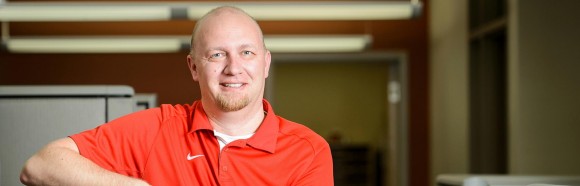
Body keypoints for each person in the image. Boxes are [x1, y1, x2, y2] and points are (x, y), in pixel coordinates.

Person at [19, 6, 334, 185]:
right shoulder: (157, 128)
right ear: (194, 67)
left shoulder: (308, 152)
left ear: (265, 62)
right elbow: (39, 166)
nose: (233, 68)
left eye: (246, 52)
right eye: (217, 55)